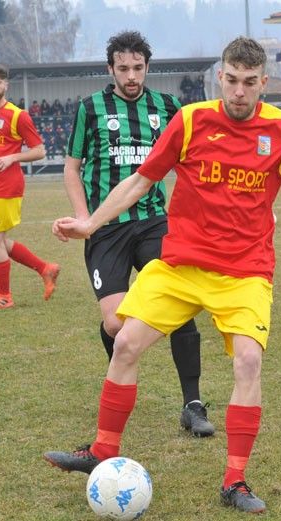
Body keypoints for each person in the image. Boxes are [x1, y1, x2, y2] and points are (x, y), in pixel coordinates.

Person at [43, 36, 281, 514]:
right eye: (232, 80)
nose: (239, 91)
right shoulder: (190, 121)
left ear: (264, 82)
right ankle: (102, 449)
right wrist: (91, 223)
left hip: (245, 272)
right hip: (181, 265)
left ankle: (234, 481)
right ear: (220, 77)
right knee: (125, 341)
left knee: (248, 362)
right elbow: (141, 181)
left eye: (250, 82)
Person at [52, 30, 213, 436]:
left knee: (180, 308)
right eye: (123, 68)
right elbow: (72, 167)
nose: (131, 76)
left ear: (147, 67)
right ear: (110, 69)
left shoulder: (168, 107)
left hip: (154, 222)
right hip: (106, 229)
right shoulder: (90, 108)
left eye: (138, 68)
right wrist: (84, 218)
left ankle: (193, 405)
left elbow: (194, 162)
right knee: (115, 324)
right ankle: (119, 380)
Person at [0, 63, 60, 310]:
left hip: (8, 186)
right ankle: (45, 268)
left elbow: (39, 151)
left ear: (6, 85)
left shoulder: (18, 115)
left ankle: (4, 296)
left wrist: (12, 158)